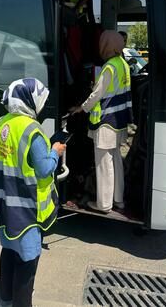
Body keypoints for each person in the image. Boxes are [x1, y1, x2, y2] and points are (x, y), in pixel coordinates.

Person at [0, 78, 66, 307]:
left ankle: (5, 302)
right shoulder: (32, 129)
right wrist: (55, 151)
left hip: (6, 205)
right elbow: (44, 169)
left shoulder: (2, 123)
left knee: (9, 254)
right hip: (27, 210)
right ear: (30, 102)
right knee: (27, 263)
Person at [70, 30, 133, 213]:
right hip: (119, 120)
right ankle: (118, 200)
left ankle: (104, 204)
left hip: (106, 122)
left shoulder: (109, 67)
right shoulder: (123, 64)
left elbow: (96, 94)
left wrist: (81, 108)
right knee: (116, 161)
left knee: (104, 163)